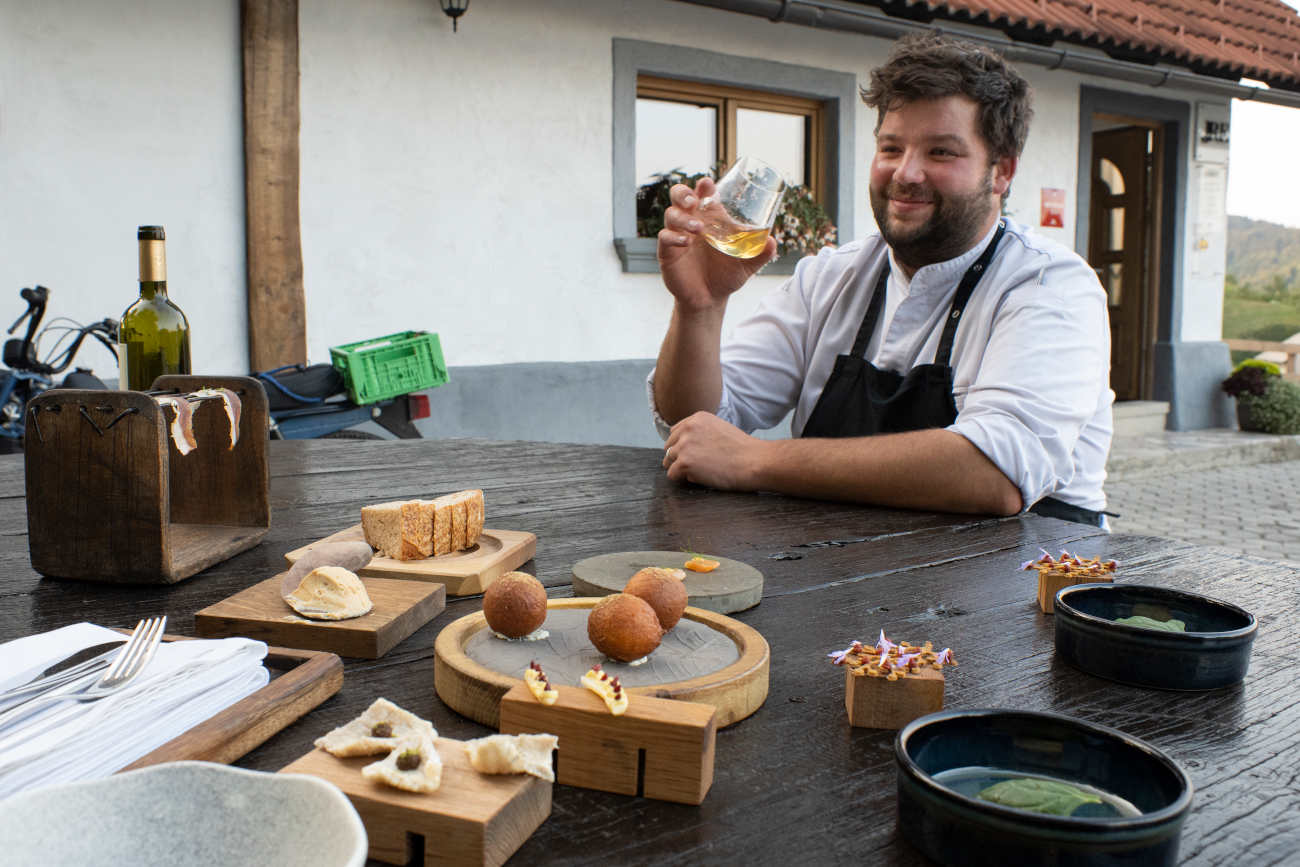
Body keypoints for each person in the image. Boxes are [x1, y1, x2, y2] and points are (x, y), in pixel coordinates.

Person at [647, 32, 1113, 525]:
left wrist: (754, 460)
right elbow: (697, 423)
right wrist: (700, 308)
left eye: (941, 152)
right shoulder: (832, 275)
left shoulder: (1049, 285)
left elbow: (994, 474)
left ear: (1001, 172)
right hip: (841, 577)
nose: (906, 173)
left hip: (1016, 583)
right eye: (891, 148)